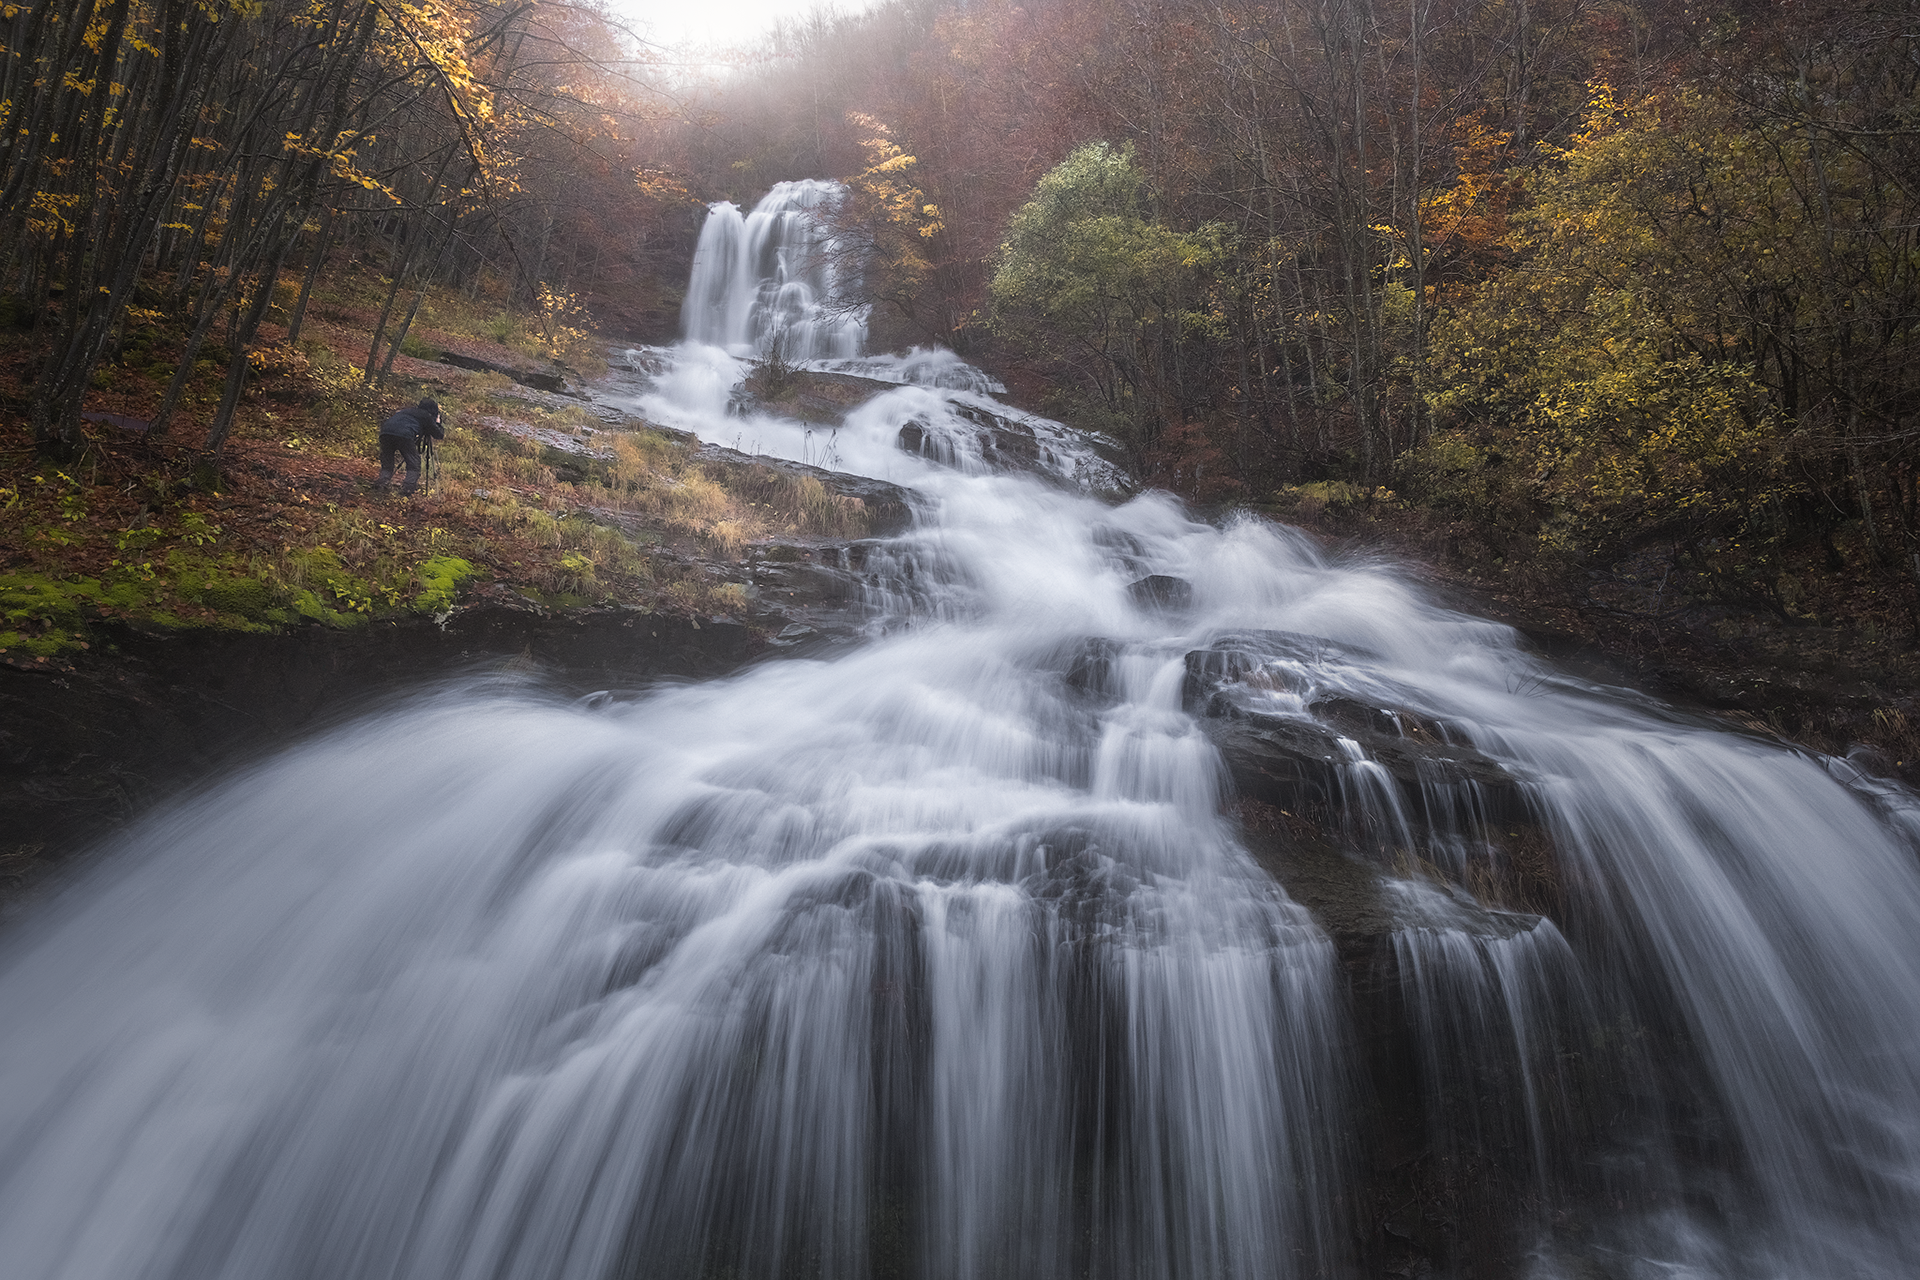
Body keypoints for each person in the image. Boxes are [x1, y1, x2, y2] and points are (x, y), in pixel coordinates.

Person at [374, 397, 444, 495]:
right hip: (404, 434)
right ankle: (407, 489)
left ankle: (382, 483)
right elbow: (439, 434)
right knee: (414, 463)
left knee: (387, 461)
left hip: (385, 432)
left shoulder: (407, 411)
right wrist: (437, 422)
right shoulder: (426, 415)